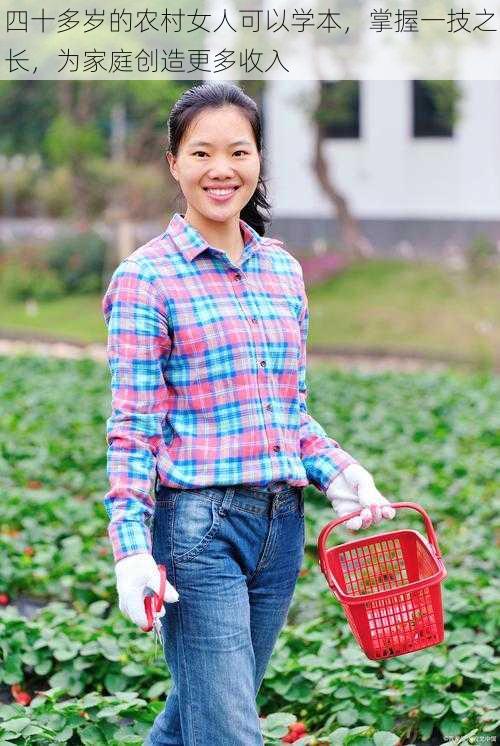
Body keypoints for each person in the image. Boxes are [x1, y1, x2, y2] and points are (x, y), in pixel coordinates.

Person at [101, 81, 396, 746]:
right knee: (230, 731)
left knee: (197, 716)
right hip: (198, 534)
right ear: (174, 163)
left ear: (259, 159)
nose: (221, 169)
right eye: (201, 153)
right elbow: (132, 427)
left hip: (280, 529)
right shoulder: (147, 279)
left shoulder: (282, 273)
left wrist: (340, 471)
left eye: (238, 151)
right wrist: (130, 548)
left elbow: (289, 413)